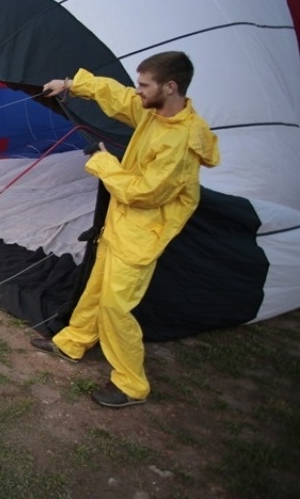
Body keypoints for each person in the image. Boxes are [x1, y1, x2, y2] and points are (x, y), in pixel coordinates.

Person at [31, 51, 219, 408]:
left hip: (143, 233)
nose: (138, 91)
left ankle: (132, 384)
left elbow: (144, 192)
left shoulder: (181, 142)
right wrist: (72, 85)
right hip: (122, 223)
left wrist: (103, 162)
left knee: (116, 307)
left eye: (144, 85)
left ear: (170, 86)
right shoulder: (155, 112)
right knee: (97, 285)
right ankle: (73, 342)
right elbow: (119, 97)